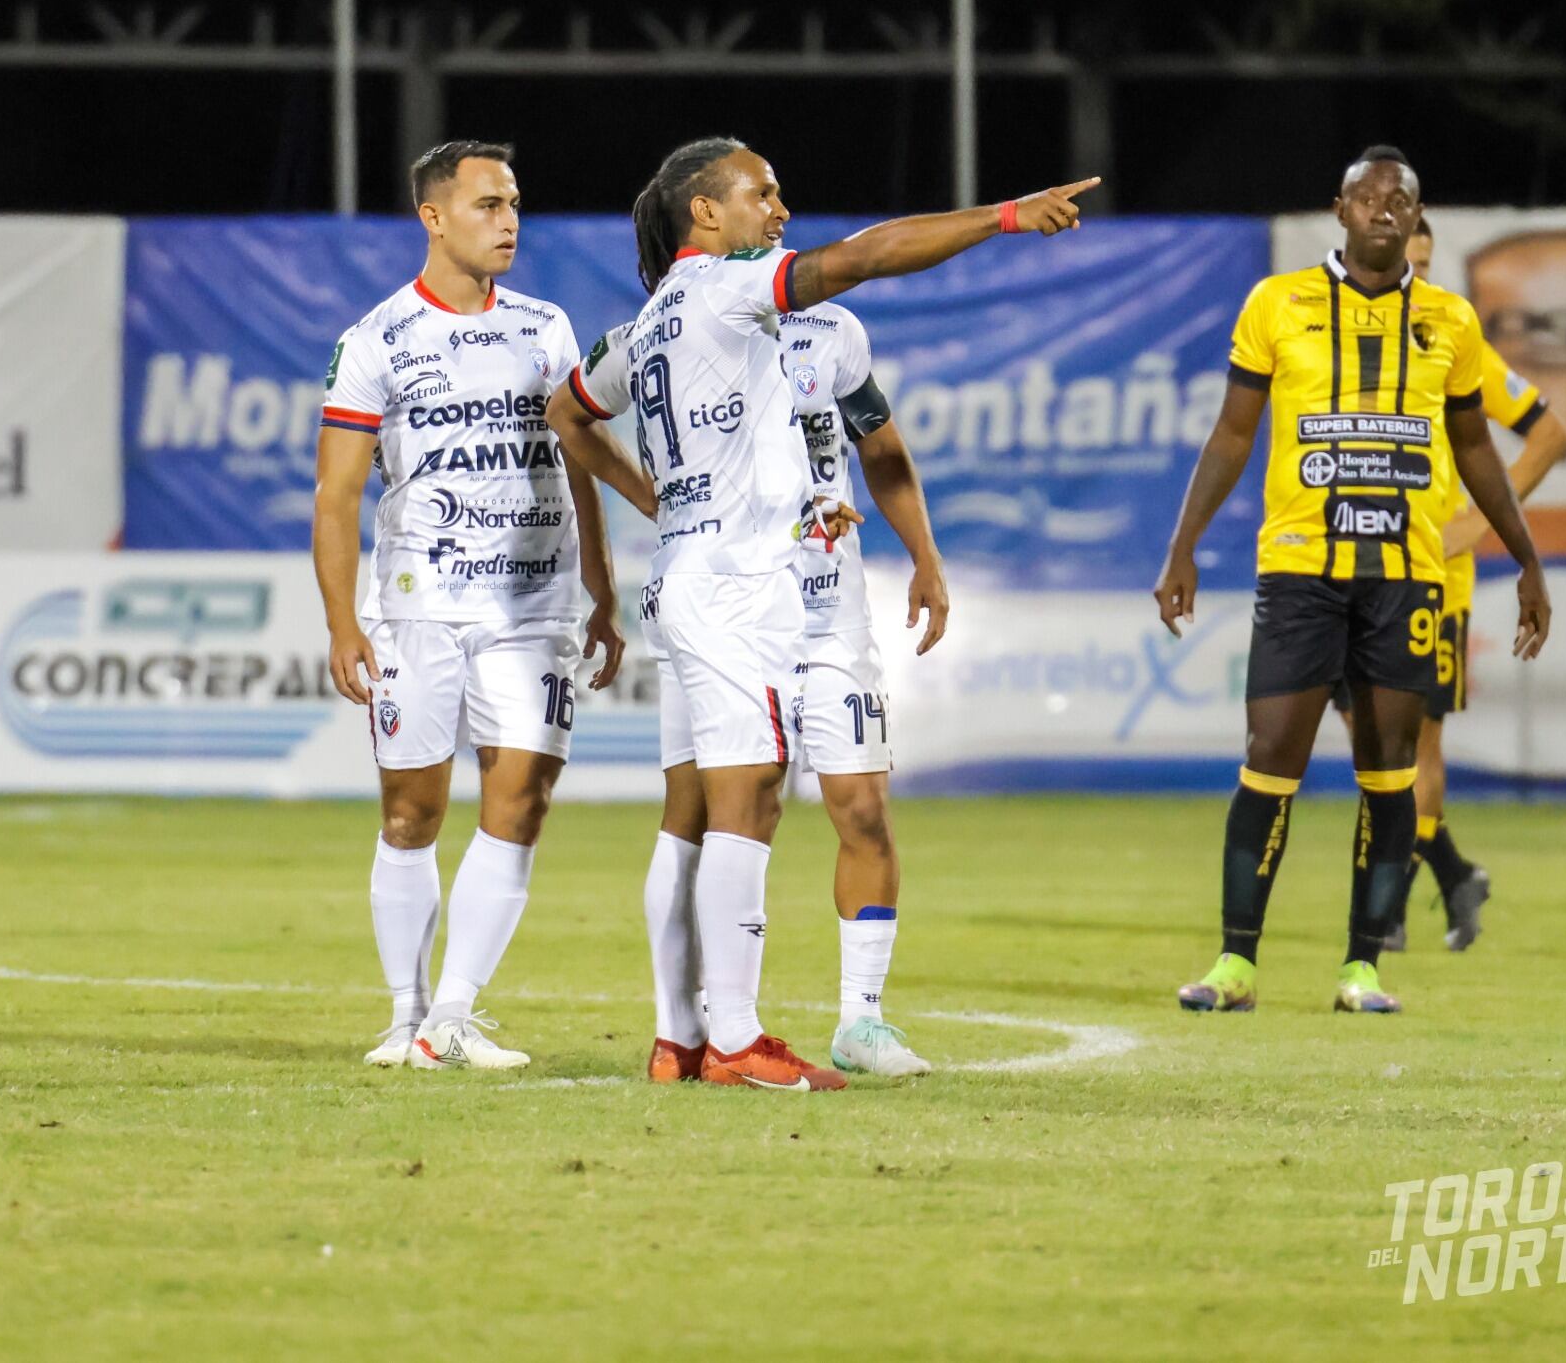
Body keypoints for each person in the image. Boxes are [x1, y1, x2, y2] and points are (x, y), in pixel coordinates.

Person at [547, 136, 1091, 1089]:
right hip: (737, 587)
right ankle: (732, 1037)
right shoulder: (729, 290)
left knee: (729, 809)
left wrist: (688, 504)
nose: (781, 211)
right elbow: (869, 253)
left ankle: (695, 1038)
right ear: (705, 214)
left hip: (747, 579)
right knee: (744, 799)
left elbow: (571, 410)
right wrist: (1005, 216)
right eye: (762, 193)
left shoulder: (659, 323)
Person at [1153, 145, 1550, 1016]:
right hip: (1302, 570)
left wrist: (1525, 557)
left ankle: (1362, 968)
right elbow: (1232, 433)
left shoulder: (1450, 321)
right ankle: (1236, 963)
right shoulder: (1278, 303)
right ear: (1339, 210)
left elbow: (1477, 447)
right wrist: (1184, 545)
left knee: (1391, 768)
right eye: (1368, 197)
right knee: (1270, 758)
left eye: (1399, 199)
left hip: (1406, 579)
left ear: (1416, 218)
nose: (1384, 209)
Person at [313, 140, 650, 1072]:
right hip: (417, 605)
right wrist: (343, 622)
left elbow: (575, 459)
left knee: (523, 797)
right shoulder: (376, 340)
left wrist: (600, 588)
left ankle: (453, 1016)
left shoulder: (545, 328)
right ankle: (406, 1014)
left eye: (514, 204)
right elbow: (337, 496)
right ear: (433, 217)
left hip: (533, 606)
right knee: (411, 814)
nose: (509, 222)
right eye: (488, 205)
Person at [649, 294, 951, 1077]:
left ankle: (862, 1021)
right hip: (736, 614)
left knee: (864, 809)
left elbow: (881, 447)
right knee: (719, 814)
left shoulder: (831, 329)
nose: (774, 228)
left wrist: (925, 555)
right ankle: (701, 1023)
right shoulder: (688, 327)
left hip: (829, 614)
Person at [1336, 216, 1566, 953]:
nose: (1415, 271)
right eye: (1405, 256)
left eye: (1426, 261)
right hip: (1343, 569)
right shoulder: (1328, 328)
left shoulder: (1447, 336)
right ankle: (1454, 873)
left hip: (1431, 578)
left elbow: (1548, 432)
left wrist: (1476, 520)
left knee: (1414, 748)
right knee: (1370, 746)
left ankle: (1389, 907)